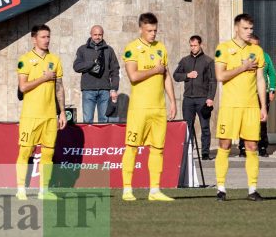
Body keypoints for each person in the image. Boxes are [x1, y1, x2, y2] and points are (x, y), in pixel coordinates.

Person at [121, 13, 176, 201]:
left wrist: (173, 101)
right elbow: (133, 76)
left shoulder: (161, 48)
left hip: (158, 108)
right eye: (149, 31)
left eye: (155, 30)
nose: (153, 34)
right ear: (141, 29)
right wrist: (155, 70)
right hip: (139, 108)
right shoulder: (132, 49)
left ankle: (155, 190)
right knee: (132, 147)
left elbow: (166, 76)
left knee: (158, 149)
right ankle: (127, 189)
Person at [213, 13, 267, 201]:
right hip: (230, 107)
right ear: (236, 28)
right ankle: (221, 188)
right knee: (224, 144)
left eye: (251, 28)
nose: (249, 32)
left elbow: (260, 79)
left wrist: (263, 106)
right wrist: (242, 67)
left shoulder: (257, 51)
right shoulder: (224, 48)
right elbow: (220, 76)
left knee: (252, 146)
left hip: (251, 107)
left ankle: (252, 189)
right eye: (245, 28)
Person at [15, 24, 65, 201]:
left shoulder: (55, 59)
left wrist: (62, 112)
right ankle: (20, 189)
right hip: (31, 115)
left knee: (48, 153)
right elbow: (23, 86)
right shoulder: (25, 59)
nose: (47, 40)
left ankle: (44, 191)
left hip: (50, 115)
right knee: (26, 151)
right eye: (43, 37)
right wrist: (43, 78)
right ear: (34, 39)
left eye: (48, 37)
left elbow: (59, 87)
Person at [173, 35, 215, 160]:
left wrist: (210, 98)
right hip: (188, 100)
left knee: (205, 126)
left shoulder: (208, 61)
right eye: (191, 45)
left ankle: (205, 153)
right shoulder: (185, 61)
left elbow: (213, 81)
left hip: (203, 99)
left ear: (200, 45)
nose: (193, 48)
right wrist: (187, 75)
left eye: (195, 45)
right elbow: (176, 75)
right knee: (188, 127)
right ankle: (188, 152)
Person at [73, 25, 119, 123]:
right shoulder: (82, 49)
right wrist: (91, 63)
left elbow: (115, 70)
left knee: (105, 121)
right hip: (88, 90)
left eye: (100, 35)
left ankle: (103, 139)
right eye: (95, 35)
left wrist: (114, 88)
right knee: (87, 121)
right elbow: (77, 67)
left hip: (105, 91)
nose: (97, 37)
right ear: (91, 34)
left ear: (103, 35)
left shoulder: (109, 50)